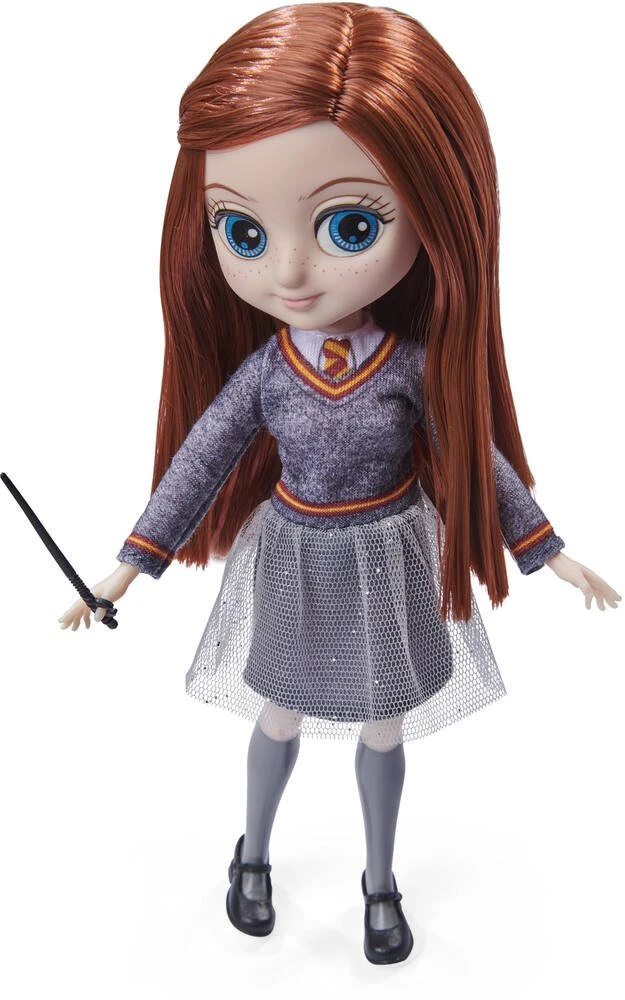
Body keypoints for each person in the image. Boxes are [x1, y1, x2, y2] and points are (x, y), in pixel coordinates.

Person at [58, 3, 621, 965]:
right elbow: (200, 458)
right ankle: (253, 856)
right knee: (277, 711)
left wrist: (547, 551)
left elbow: (474, 457)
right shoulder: (266, 372)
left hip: (388, 556)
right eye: (241, 229)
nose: (290, 271)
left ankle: (379, 880)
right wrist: (127, 566)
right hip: (296, 558)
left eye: (349, 225)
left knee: (383, 725)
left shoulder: (407, 366)